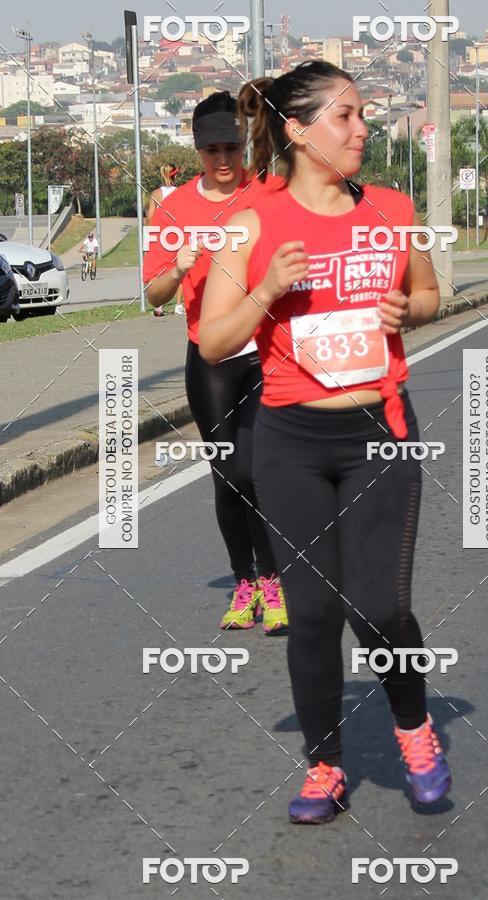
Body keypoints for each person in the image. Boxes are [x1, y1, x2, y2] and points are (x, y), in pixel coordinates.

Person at [198, 61, 452, 824]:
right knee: (310, 614)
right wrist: (267, 289)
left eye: (363, 115)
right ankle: (324, 768)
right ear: (299, 132)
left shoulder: (392, 210)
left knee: (378, 608)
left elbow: (433, 294)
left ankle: (415, 730)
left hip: (379, 430)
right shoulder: (251, 224)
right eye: (346, 117)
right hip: (291, 440)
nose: (363, 129)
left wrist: (413, 310)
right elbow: (213, 340)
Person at [143, 91, 288, 635]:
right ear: (197, 150)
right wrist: (178, 269)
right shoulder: (173, 207)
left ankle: (272, 580)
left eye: (231, 147)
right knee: (227, 476)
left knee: (259, 471)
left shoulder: (267, 190)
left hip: (268, 352)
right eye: (212, 151)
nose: (223, 161)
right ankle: (243, 582)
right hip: (210, 358)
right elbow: (155, 296)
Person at [145, 163, 184, 317]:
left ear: (162, 174)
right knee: (179, 269)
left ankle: (159, 305)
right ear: (175, 175)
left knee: (159, 270)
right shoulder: (181, 193)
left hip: (161, 235)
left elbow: (150, 218)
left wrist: (149, 235)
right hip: (177, 234)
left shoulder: (156, 194)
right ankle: (179, 305)